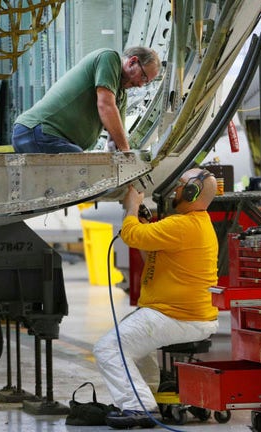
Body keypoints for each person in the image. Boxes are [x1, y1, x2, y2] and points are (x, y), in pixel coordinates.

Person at [93, 168, 220, 429]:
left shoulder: (183, 225)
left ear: (191, 192)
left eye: (180, 184)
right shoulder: (193, 224)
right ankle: (146, 394)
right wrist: (141, 220)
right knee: (134, 345)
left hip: (178, 316)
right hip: (178, 314)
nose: (175, 189)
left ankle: (138, 406)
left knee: (107, 348)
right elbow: (148, 253)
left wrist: (131, 207)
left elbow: (131, 236)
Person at [12, 46, 160, 154]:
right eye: (143, 77)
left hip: (52, 138)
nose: (141, 85)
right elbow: (105, 105)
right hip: (37, 131)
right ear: (132, 62)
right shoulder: (109, 58)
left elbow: (116, 139)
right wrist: (127, 154)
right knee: (82, 173)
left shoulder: (121, 95)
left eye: (146, 83)